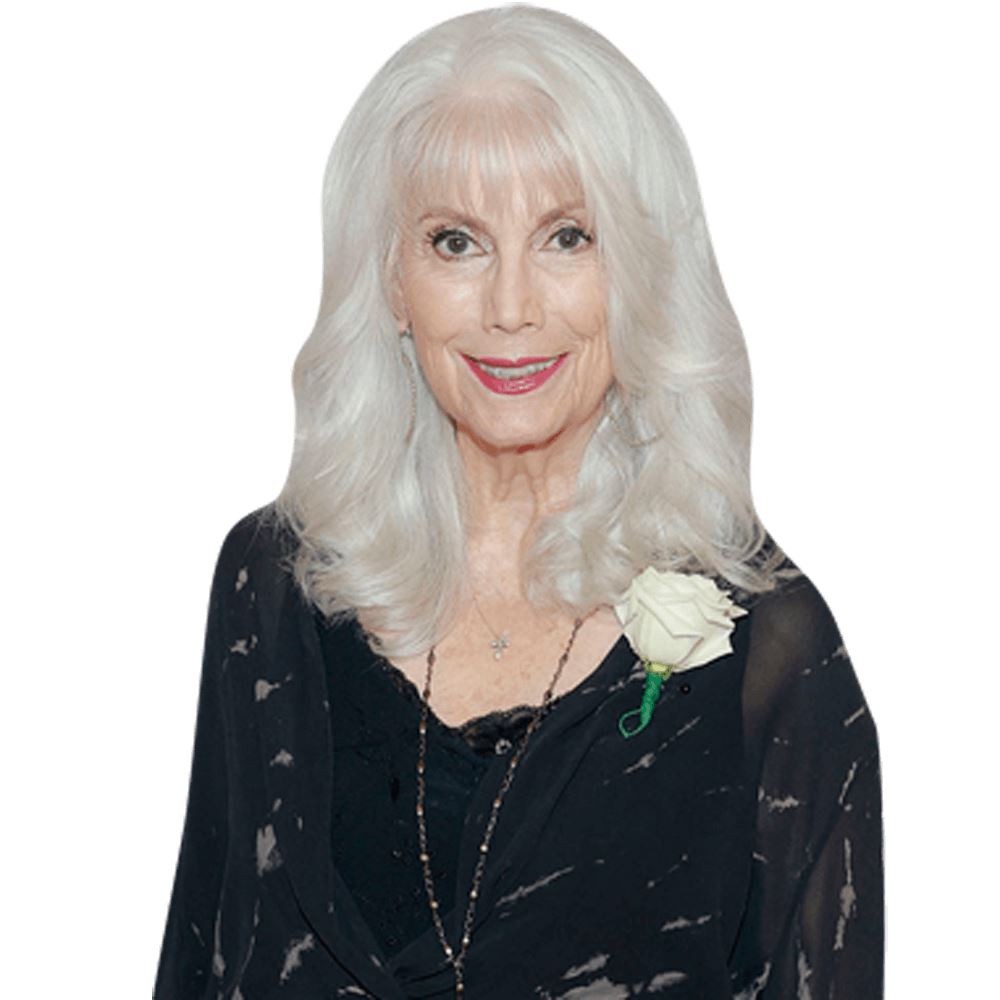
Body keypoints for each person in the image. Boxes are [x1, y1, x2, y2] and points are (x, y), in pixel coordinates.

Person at [153, 6, 883, 998]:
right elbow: (200, 961)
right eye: (455, 241)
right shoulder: (274, 589)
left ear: (642, 271)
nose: (509, 308)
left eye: (566, 237)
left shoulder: (766, 652)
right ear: (392, 282)